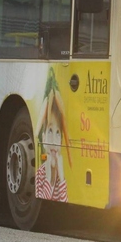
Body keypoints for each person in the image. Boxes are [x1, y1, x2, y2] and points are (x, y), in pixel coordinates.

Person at [36, 68, 71, 202]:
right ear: (43, 138)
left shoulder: (61, 170)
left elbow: (65, 202)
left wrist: (61, 177)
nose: (53, 141)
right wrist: (50, 179)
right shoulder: (40, 173)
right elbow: (43, 199)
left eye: (58, 134)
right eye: (49, 131)